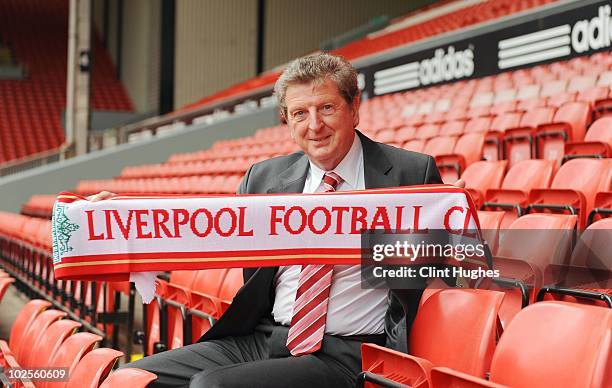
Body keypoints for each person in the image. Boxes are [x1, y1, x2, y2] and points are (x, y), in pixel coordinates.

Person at [94, 52, 450, 387]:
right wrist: (130, 214)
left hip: (346, 352)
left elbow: (456, 265)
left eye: (326, 107)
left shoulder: (409, 173)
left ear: (354, 108)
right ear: (287, 121)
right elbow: (209, 231)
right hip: (264, 336)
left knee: (211, 386)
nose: (315, 125)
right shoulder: (263, 178)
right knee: (130, 378)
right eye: (300, 113)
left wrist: (450, 215)